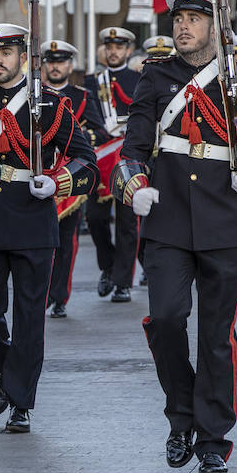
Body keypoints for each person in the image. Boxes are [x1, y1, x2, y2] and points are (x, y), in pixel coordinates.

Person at [112, 0, 237, 473]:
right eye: (177, 19)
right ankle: (181, 414)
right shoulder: (155, 77)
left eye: (194, 18)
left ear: (216, 25)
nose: (183, 27)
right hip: (167, 218)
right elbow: (131, 151)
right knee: (166, 320)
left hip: (226, 219)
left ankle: (213, 437)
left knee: (215, 334)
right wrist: (135, 187)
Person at [0, 23, 98, 436]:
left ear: (23, 56)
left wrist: (58, 182)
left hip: (33, 219)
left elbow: (85, 160)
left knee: (28, 317)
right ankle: (6, 370)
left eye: (6, 52)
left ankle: (20, 400)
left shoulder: (51, 105)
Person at [40, 40, 108, 318]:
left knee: (66, 243)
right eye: (51, 61)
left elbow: (99, 132)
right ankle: (40, 294)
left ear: (69, 65)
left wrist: (78, 136)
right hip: (41, 174)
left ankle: (59, 297)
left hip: (68, 177)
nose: (55, 66)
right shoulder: (35, 94)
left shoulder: (81, 96)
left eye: (61, 61)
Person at [83, 27, 142, 302]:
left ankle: (122, 282)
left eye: (119, 46)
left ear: (129, 51)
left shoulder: (138, 80)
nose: (114, 51)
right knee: (95, 218)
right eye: (109, 46)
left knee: (128, 223)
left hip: (129, 156)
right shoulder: (92, 82)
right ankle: (107, 266)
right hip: (102, 157)